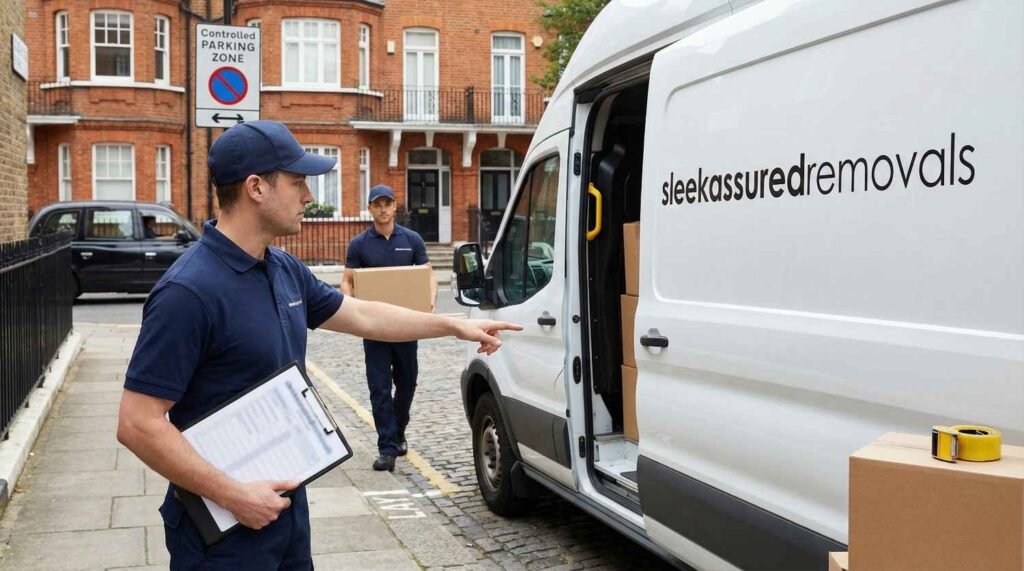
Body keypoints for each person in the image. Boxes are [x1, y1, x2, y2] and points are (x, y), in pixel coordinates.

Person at [115, 120, 520, 570]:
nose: (308, 195)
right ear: (256, 188)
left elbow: (363, 314)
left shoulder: (284, 268)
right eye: (297, 182)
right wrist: (234, 496)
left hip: (286, 510)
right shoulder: (188, 292)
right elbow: (137, 423)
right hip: (222, 530)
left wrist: (452, 325)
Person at [341, 185, 436, 472]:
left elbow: (428, 276)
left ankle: (398, 430)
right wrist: (350, 304)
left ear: (395, 207)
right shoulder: (359, 244)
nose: (382, 209)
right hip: (374, 328)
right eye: (377, 204)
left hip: (406, 326)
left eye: (387, 203)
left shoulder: (412, 240)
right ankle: (387, 448)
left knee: (407, 383)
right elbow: (347, 281)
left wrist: (429, 301)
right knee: (379, 388)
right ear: (369, 208)